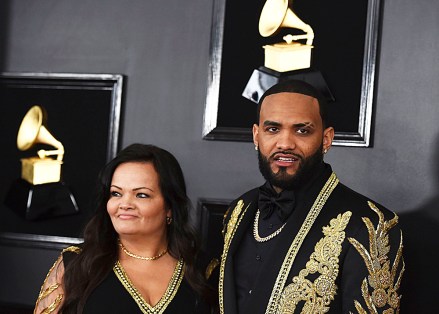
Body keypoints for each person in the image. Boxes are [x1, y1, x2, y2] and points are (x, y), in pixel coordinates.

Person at [218, 80, 404, 313]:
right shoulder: (239, 209)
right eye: (273, 129)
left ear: (326, 139)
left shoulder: (370, 225)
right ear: (257, 136)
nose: (285, 143)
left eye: (302, 130)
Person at [34, 143, 216, 314]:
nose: (124, 204)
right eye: (116, 193)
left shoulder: (204, 270)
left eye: (141, 195)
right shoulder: (76, 262)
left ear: (170, 208)